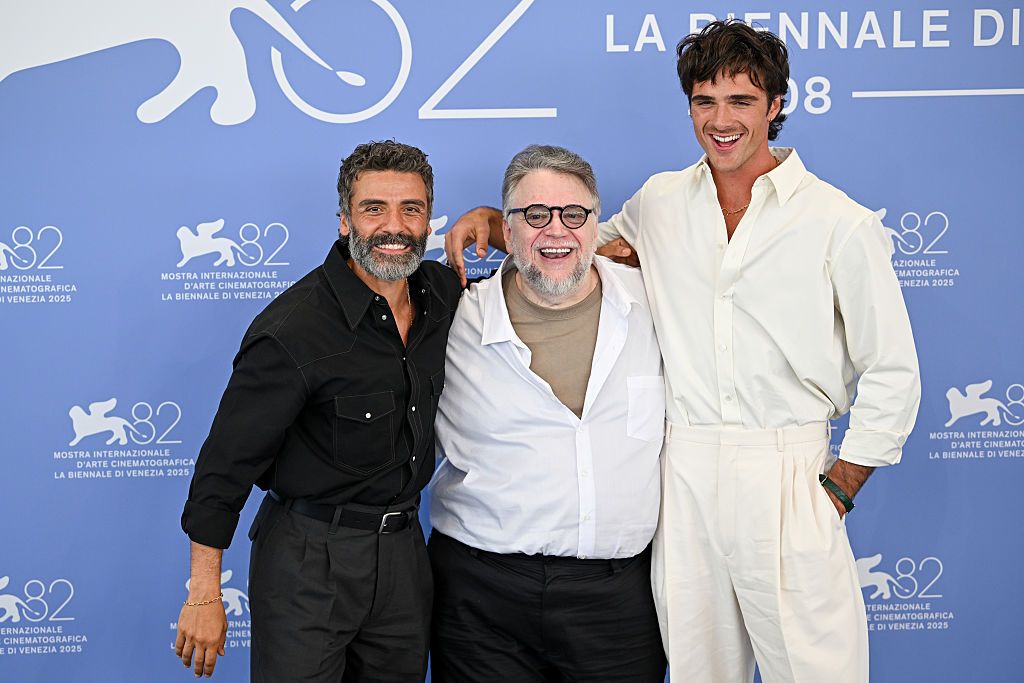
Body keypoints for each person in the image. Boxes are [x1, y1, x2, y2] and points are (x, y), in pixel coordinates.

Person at [444, 21, 920, 683]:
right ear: (690, 107)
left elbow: (894, 368)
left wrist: (840, 485)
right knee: (700, 672)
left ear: (776, 106)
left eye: (741, 101)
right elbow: (572, 245)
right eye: (705, 101)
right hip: (683, 472)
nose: (721, 121)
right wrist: (496, 221)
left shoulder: (839, 222)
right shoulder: (661, 202)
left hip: (788, 471)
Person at [176, 140, 461, 681]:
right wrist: (203, 593)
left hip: (404, 554)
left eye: (411, 209)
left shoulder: (442, 295)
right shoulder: (293, 330)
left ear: (428, 221)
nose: (393, 226)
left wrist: (491, 222)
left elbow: (534, 268)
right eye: (374, 208)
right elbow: (224, 467)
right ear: (344, 220)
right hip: (308, 560)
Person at [428, 144, 667, 682]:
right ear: (505, 232)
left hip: (619, 600)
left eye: (573, 215)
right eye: (535, 216)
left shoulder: (657, 301)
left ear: (597, 225)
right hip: (479, 598)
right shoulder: (450, 316)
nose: (555, 231)